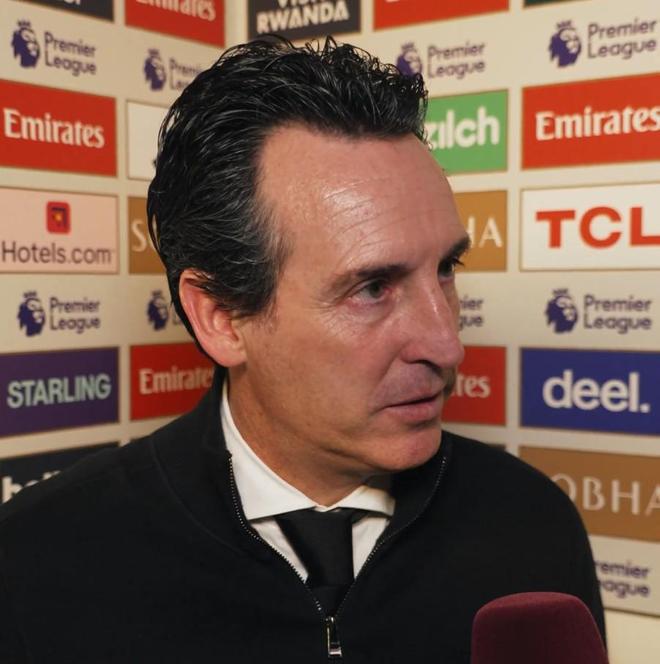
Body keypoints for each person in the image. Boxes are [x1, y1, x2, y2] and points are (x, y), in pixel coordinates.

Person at [0, 37, 604, 663]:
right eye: (372, 287)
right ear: (221, 317)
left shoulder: (531, 525)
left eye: (446, 268)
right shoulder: (39, 558)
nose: (446, 344)